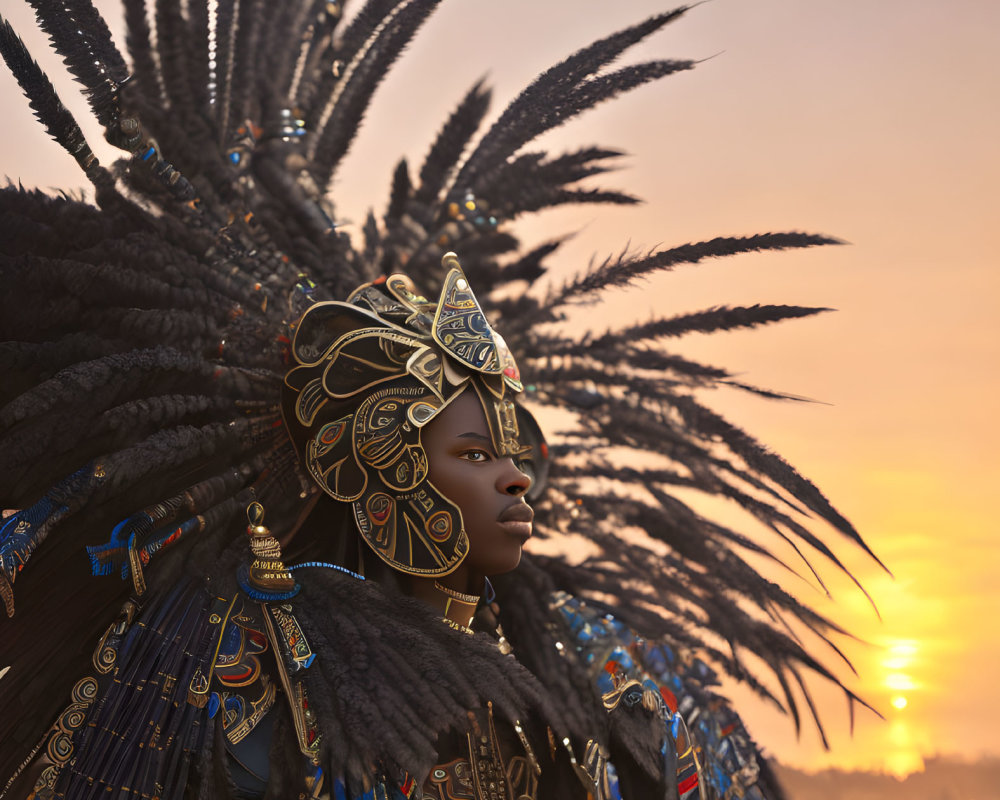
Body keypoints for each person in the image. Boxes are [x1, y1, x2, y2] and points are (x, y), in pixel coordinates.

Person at [0, 1, 879, 798]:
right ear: (378, 475)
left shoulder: (594, 677)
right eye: (472, 455)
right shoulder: (261, 669)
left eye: (510, 452)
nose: (516, 480)